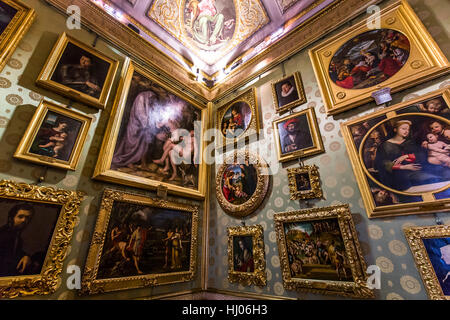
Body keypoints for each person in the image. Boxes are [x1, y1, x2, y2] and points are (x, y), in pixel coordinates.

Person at [374, 120, 440, 191]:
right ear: (395, 129)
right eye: (403, 129)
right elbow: (382, 164)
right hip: (398, 177)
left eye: (408, 129)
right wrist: (403, 167)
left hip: (418, 172)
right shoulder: (384, 146)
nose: (406, 131)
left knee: (435, 180)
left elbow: (422, 155)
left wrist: (406, 156)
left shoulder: (410, 142)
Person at [0, 203, 34, 276]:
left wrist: (26, 256)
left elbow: (16, 253)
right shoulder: (2, 234)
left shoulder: (17, 236)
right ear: (11, 218)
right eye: (20, 217)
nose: (24, 220)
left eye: (27, 218)